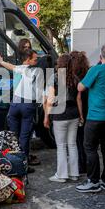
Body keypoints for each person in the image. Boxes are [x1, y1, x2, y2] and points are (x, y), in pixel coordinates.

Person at [76, 44, 105, 193]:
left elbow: (80, 88)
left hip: (95, 116)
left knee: (90, 147)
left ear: (100, 57)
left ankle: (93, 181)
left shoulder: (95, 69)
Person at [0, 49, 43, 174]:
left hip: (15, 105)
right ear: (28, 60)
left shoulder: (22, 68)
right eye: (35, 59)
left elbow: (10, 66)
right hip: (27, 106)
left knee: (13, 135)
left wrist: (0, 61)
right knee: (24, 137)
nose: (36, 60)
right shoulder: (36, 71)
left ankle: (12, 163)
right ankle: (23, 165)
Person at [44, 54, 84, 183]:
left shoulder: (54, 78)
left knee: (61, 146)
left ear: (59, 64)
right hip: (74, 114)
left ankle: (61, 175)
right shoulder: (75, 78)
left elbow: (50, 100)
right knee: (72, 144)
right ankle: (74, 173)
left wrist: (46, 116)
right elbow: (78, 99)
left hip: (60, 114)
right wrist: (81, 115)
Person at [69, 51, 90, 174]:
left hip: (79, 110)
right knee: (86, 140)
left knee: (78, 140)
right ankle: (86, 164)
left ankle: (82, 165)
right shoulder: (87, 74)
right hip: (89, 108)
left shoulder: (74, 78)